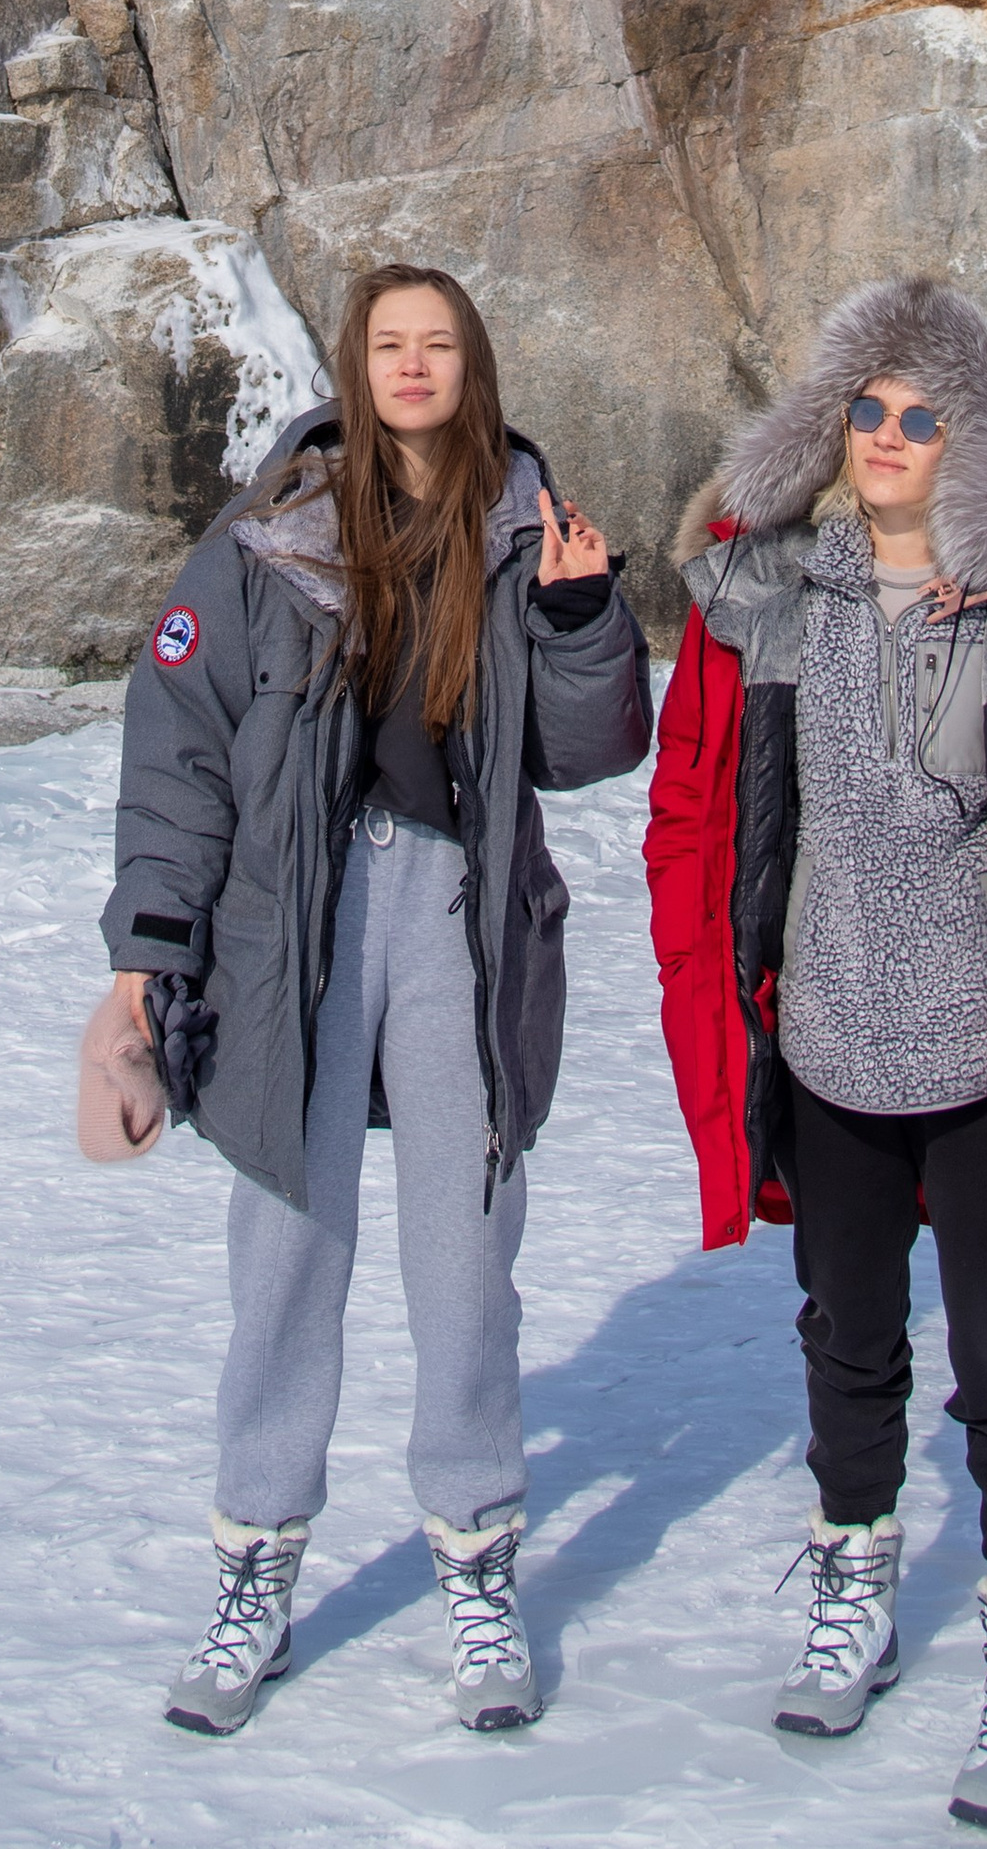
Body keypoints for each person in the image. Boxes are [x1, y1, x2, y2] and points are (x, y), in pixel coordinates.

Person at [643, 277, 987, 1832]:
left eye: (921, 415)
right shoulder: (767, 598)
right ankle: (855, 1583)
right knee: (847, 1336)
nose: (886, 436)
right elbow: (695, 798)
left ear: (975, 441)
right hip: (827, 1041)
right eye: (866, 408)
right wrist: (700, 953)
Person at [102, 261, 652, 1737]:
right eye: (390, 343)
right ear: (357, 363)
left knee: (466, 1254)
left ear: (474, 364)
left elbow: (592, 752)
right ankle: (255, 1566)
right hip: (302, 915)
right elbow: (180, 744)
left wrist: (584, 616)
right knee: (289, 1242)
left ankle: (478, 1560)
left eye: (439, 343)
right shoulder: (272, 530)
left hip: (460, 918)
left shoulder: (525, 522)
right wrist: (154, 942)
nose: (414, 365)